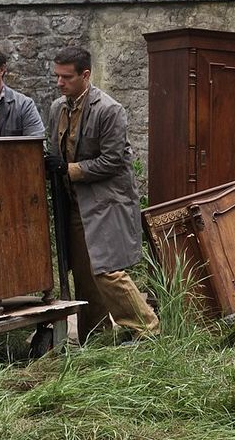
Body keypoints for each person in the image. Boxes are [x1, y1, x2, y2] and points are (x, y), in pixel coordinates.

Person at [45, 46, 158, 344]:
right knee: (83, 277)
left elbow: (113, 161)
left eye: (66, 77)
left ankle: (148, 329)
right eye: (57, 76)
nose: (59, 82)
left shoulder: (109, 109)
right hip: (73, 205)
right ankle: (95, 340)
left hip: (106, 202)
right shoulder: (58, 108)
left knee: (106, 270)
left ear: (85, 75)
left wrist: (68, 169)